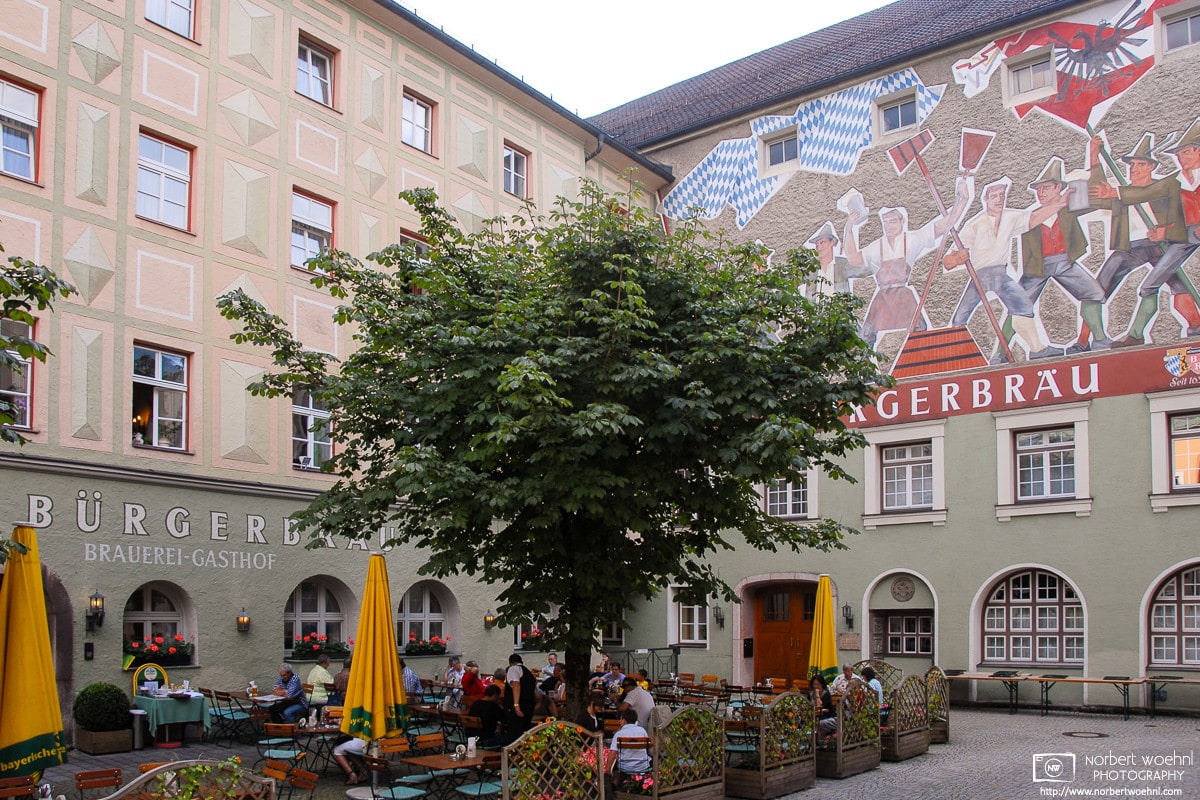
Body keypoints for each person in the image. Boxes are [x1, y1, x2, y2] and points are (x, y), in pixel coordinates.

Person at [943, 177, 1060, 362]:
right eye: (994, 196)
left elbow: (1035, 218)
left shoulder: (1011, 217)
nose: (999, 199)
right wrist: (958, 258)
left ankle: (1037, 350)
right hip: (980, 275)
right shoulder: (975, 224)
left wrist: (1060, 203)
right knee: (960, 318)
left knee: (1023, 306)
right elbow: (947, 262)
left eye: (1002, 195)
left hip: (1000, 274)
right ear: (986, 199)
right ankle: (956, 356)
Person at [609, 708, 652, 778]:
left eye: (621, 719)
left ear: (624, 721)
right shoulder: (642, 731)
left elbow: (612, 753)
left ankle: (617, 782)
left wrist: (608, 770)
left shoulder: (619, 734)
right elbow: (647, 748)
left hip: (625, 767)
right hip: (643, 767)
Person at [503, 653, 537, 736]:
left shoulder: (513, 669)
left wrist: (516, 705)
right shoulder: (528, 673)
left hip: (518, 706)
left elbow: (516, 685)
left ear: (510, 662)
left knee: (515, 733)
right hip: (529, 706)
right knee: (524, 733)